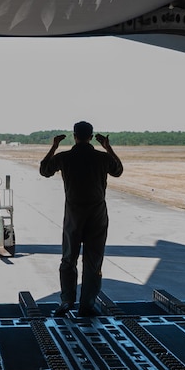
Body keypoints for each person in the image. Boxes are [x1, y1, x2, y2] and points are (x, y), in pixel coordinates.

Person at [40, 122, 123, 318]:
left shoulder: (65, 157)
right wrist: (108, 147)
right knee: (93, 262)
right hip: (97, 215)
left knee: (69, 259)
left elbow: (44, 170)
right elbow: (118, 170)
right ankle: (87, 305)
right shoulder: (102, 158)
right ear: (91, 136)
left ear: (74, 136)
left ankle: (67, 301)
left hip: (74, 215)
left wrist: (54, 146)